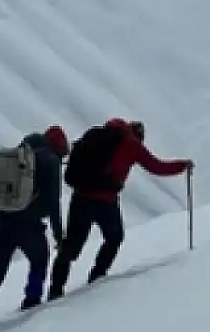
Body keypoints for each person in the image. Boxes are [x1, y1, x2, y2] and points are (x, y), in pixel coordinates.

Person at [49, 118, 192, 298]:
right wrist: (182, 166)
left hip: (80, 198)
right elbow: (157, 166)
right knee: (115, 237)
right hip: (105, 201)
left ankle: (55, 289)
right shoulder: (132, 145)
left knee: (71, 245)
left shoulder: (97, 134)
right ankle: (97, 276)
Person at [0, 125, 69, 330]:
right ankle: (32, 300)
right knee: (40, 258)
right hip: (28, 224)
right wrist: (59, 236)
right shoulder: (50, 162)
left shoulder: (18, 155)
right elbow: (53, 202)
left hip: (2, 220)